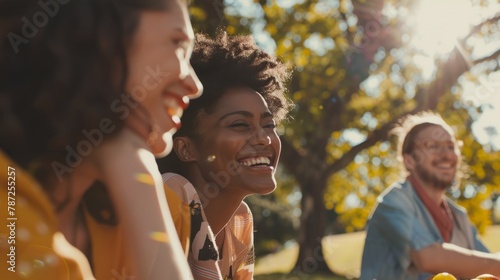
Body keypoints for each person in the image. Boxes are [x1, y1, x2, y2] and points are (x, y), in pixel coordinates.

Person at [0, 0, 202, 279]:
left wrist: (131, 163)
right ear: (92, 40)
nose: (195, 86)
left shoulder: (165, 211)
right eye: (178, 44)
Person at [157, 31, 294, 279]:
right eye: (240, 125)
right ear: (186, 148)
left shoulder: (240, 220)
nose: (264, 138)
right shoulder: (171, 194)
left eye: (269, 125)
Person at [360, 112, 500, 280]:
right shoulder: (393, 202)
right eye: (431, 145)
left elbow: (489, 266)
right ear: (410, 160)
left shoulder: (459, 216)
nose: (446, 154)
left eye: (450, 146)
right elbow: (428, 257)